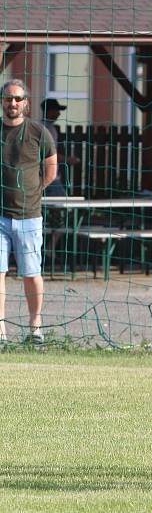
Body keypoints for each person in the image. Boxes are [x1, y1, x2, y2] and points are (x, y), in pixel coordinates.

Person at [0, 80, 58, 343]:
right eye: (8, 98)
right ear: (2, 101)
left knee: (31, 273)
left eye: (18, 98)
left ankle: (35, 328)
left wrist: (34, 192)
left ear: (26, 102)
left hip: (30, 216)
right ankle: (0, 330)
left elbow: (51, 169)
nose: (13, 103)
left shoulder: (38, 132)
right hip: (0, 216)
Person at [40, 97, 79, 265]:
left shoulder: (42, 127)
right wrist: (67, 160)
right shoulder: (46, 129)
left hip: (45, 178)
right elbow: (49, 155)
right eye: (56, 110)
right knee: (66, 214)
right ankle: (48, 248)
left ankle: (48, 247)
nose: (58, 113)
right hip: (51, 179)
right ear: (49, 111)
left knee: (54, 215)